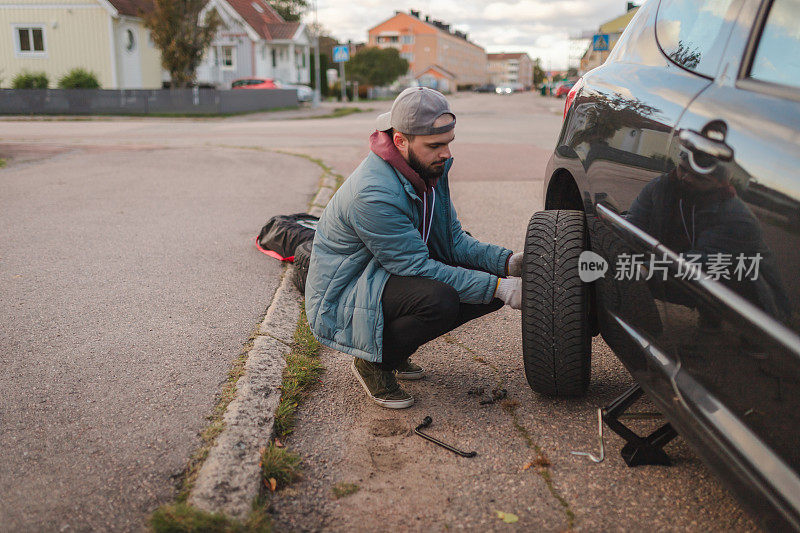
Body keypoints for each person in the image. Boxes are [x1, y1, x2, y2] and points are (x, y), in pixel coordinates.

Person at [305, 87, 523, 409]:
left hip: (383, 272)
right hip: (346, 291)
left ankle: (392, 350)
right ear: (400, 141)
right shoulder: (374, 193)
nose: (446, 153)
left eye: (448, 143)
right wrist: (499, 287)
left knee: (485, 282)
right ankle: (374, 363)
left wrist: (507, 264)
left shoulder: (427, 170)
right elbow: (416, 268)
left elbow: (452, 242)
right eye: (435, 146)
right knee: (441, 300)